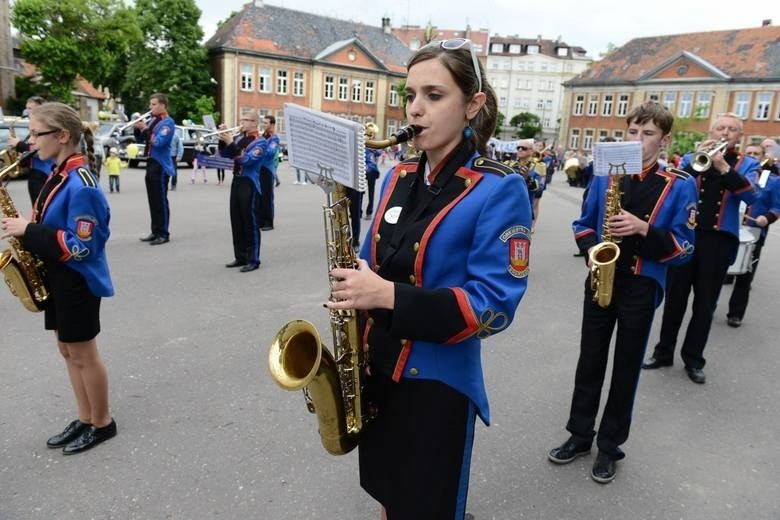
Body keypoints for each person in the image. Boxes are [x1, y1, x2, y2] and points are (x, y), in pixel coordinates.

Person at [325, 38, 532, 519]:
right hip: (376, 368)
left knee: (427, 508)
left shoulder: (501, 188)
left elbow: (494, 306)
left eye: (434, 96)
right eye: (410, 95)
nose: (415, 110)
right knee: (389, 496)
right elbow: (368, 261)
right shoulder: (398, 175)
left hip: (435, 385)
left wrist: (387, 295)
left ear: (472, 105)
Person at [547, 101, 697, 484]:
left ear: (663, 140)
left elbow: (685, 249)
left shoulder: (679, 184)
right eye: (633, 131)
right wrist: (590, 255)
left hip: (642, 285)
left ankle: (610, 446)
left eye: (647, 133)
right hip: (601, 277)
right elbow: (583, 223)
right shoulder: (605, 172)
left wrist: (645, 229)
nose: (637, 139)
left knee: (626, 368)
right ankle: (580, 435)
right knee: (590, 361)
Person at [1, 102, 117, 454]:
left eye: (36, 134)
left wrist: (29, 230)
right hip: (58, 274)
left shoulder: (82, 184)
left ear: (63, 136)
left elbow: (84, 246)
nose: (31, 141)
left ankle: (102, 422)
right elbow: (53, 224)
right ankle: (84, 417)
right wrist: (25, 225)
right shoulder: (58, 173)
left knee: (84, 353)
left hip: (77, 278)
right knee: (67, 349)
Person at [643, 113, 760, 384]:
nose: (725, 132)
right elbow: (675, 183)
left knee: (705, 303)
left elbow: (751, 195)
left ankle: (694, 359)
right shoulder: (691, 157)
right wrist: (700, 159)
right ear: (711, 130)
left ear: (738, 136)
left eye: (731, 129)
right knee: (675, 299)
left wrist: (723, 168)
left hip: (718, 241)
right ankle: (663, 352)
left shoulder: (748, 163)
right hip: (687, 236)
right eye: (721, 127)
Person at [725, 143, 780, 327]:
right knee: (718, 271)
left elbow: (777, 206)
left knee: (746, 274)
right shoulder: (733, 175)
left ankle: (736, 313)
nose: (753, 156)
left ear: (763, 157)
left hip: (753, 231)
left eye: (757, 154)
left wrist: (767, 217)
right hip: (730, 228)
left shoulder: (771, 180)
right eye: (749, 153)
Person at [218, 111, 265, 271]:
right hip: (237, 180)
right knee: (236, 219)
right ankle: (240, 256)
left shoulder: (261, 142)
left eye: (246, 120)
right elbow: (226, 154)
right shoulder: (239, 138)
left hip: (249, 183)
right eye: (242, 119)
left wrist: (231, 142)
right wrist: (223, 139)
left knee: (250, 222)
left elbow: (247, 160)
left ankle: (253, 259)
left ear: (254, 123)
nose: (242, 122)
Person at [136, 93, 175, 245]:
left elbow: (158, 142)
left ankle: (163, 233)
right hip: (151, 161)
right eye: (150, 104)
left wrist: (145, 129)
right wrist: (138, 128)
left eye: (153, 104)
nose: (150, 107)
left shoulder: (168, 123)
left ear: (162, 105)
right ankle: (155, 230)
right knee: (153, 199)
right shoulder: (152, 120)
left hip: (161, 164)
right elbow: (141, 139)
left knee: (160, 200)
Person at [7, 95, 56, 203]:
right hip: (35, 171)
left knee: (41, 208)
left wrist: (19, 144)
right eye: (26, 108)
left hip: (44, 172)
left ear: (41, 108)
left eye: (30, 108)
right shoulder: (36, 126)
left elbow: (39, 149)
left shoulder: (45, 126)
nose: (26, 111)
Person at [257, 115, 280, 231]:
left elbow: (270, 152)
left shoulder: (274, 138)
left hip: (268, 170)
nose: (264, 125)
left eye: (266, 123)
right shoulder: (263, 137)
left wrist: (262, 145)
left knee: (267, 196)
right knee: (260, 196)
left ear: (272, 125)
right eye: (263, 122)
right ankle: (261, 220)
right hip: (259, 169)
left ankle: (269, 222)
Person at [363, 123, 383, 221]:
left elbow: (380, 153)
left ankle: (369, 212)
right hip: (362, 169)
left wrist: (372, 147)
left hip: (372, 170)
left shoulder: (373, 144)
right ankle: (359, 211)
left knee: (371, 191)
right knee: (360, 191)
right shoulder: (361, 142)